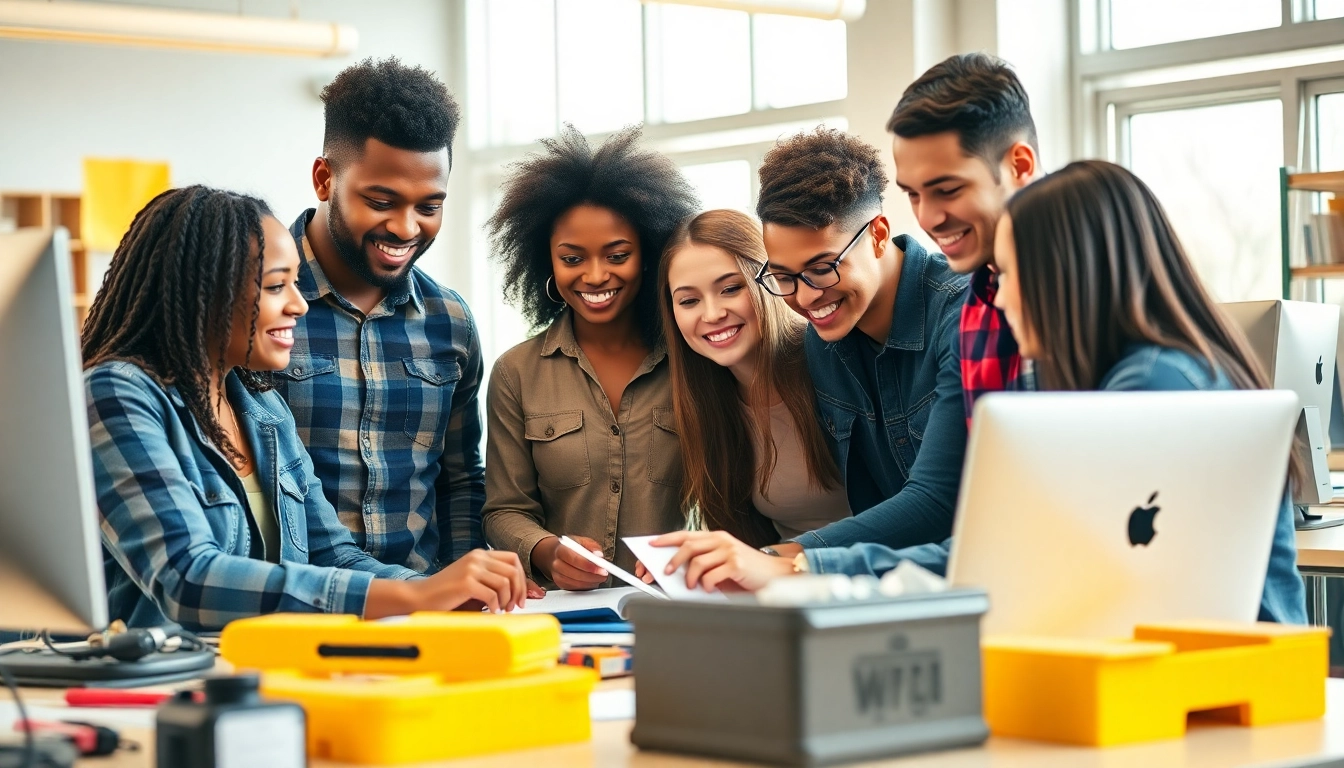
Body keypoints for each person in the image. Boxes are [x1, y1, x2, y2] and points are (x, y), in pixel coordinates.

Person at [650, 161, 1307, 625]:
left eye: (1011, 274)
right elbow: (1028, 550)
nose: (996, 301)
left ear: (1073, 277)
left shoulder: (1152, 385)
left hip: (1228, 686)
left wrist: (799, 569)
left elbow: (1025, 551)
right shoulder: (1112, 381)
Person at [84, 186, 527, 631]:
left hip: (250, 675)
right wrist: (414, 596)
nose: (297, 304)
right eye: (277, 286)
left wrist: (444, 592)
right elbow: (187, 579)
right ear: (203, 294)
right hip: (136, 690)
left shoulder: (263, 408)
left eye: (296, 282)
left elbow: (331, 554)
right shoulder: (117, 394)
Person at [275, 57, 485, 574]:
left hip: (424, 615)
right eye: (381, 200)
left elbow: (459, 479)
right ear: (325, 179)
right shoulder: (256, 307)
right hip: (294, 614)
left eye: (429, 206)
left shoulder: (450, 321)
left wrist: (459, 593)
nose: (406, 227)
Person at [482, 126, 700, 590]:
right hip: (564, 612)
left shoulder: (695, 361)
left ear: (648, 254)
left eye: (617, 255)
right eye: (572, 258)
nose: (595, 275)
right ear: (546, 262)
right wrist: (547, 551)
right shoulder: (516, 373)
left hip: (680, 604)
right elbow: (505, 510)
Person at [659, 209, 847, 547]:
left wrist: (777, 558)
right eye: (688, 300)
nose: (713, 314)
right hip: (789, 594)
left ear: (770, 280)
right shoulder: (708, 404)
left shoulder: (834, 362)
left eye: (731, 289)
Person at [889, 52, 1043, 423]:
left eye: (948, 189)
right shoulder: (975, 305)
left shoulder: (1103, 289)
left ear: (1019, 166)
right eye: (912, 194)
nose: (927, 218)